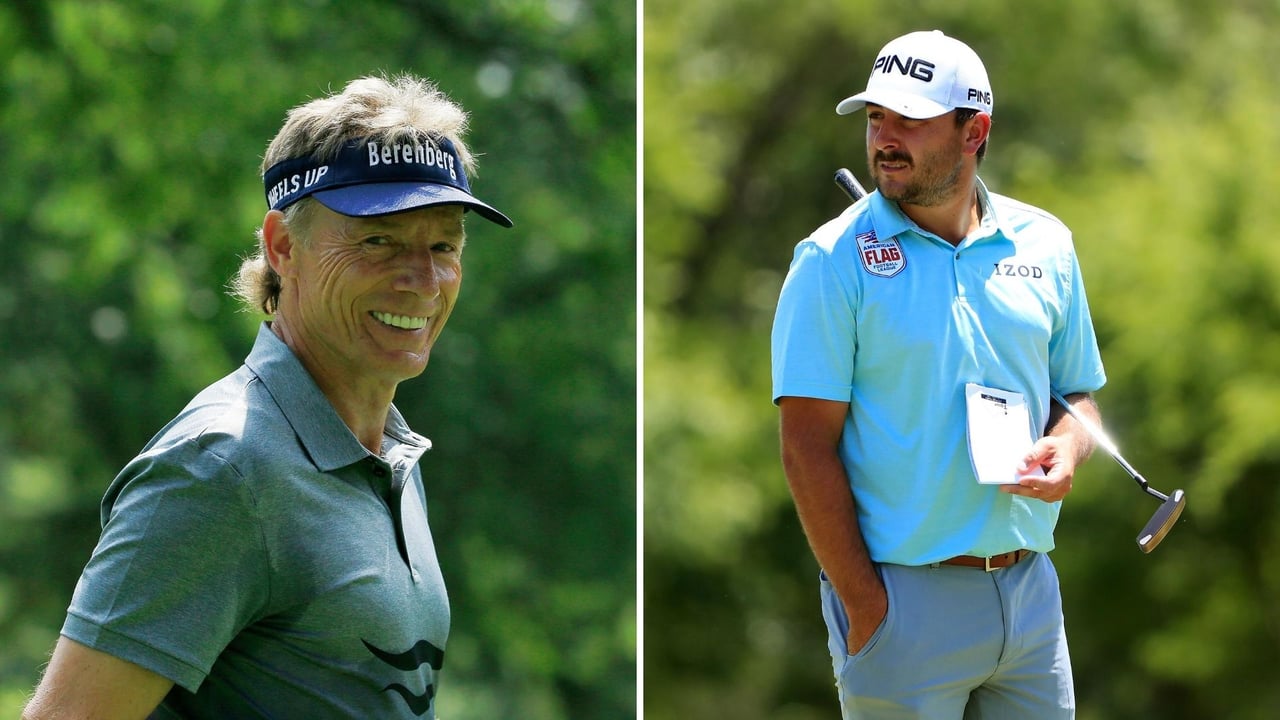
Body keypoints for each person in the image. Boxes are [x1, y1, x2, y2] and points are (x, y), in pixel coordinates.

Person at [23, 73, 512, 720]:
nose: (424, 281)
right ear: (283, 246)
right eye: (378, 240)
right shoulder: (220, 469)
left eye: (445, 245)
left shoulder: (387, 459)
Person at [771, 30, 1106, 719]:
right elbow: (805, 446)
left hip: (1031, 599)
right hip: (902, 605)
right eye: (874, 118)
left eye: (910, 120)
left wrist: (1069, 448)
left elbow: (1078, 394)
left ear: (973, 131)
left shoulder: (1047, 245)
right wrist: (868, 609)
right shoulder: (831, 260)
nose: (884, 138)